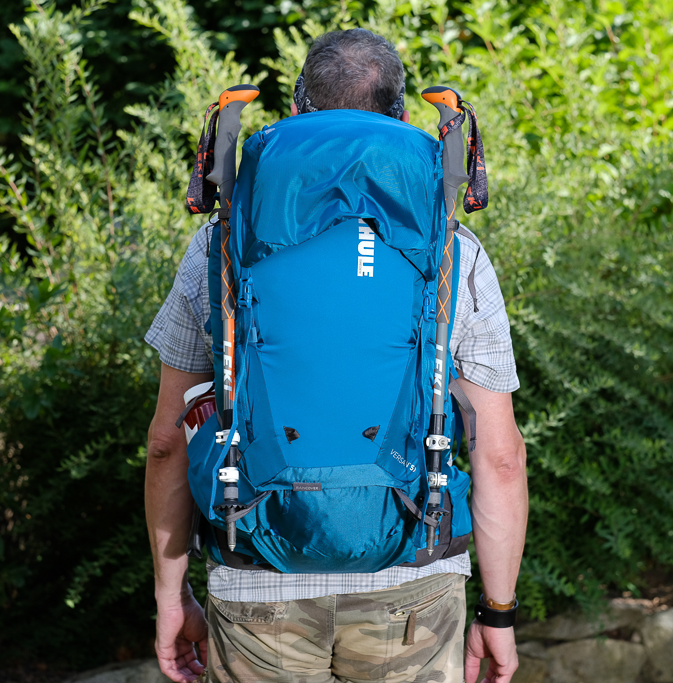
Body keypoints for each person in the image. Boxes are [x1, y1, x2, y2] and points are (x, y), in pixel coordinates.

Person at [144, 28, 528, 683]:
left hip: (256, 572)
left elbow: (167, 442)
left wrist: (169, 595)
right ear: (403, 119)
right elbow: (500, 453)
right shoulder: (454, 254)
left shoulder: (219, 247)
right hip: (416, 577)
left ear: (298, 114)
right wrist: (499, 613)